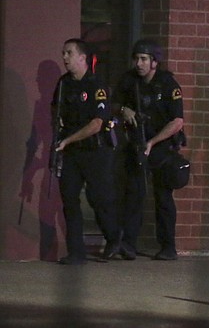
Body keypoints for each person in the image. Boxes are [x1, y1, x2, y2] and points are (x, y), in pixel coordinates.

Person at [113, 39, 185, 261]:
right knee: (134, 194)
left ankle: (168, 246)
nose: (139, 63)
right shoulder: (129, 81)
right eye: (136, 58)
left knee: (163, 197)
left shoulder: (167, 84)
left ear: (155, 62)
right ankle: (128, 244)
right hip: (137, 143)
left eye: (144, 59)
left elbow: (177, 121)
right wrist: (124, 110)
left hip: (161, 145)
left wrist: (153, 142)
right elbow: (112, 104)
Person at [53, 38, 121, 264]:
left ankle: (114, 237)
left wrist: (69, 139)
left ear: (82, 58)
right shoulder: (63, 84)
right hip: (71, 152)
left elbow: (96, 124)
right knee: (69, 200)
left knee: (99, 199)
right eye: (63, 53)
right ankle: (76, 253)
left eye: (69, 53)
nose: (64, 57)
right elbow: (56, 114)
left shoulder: (96, 86)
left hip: (95, 151)